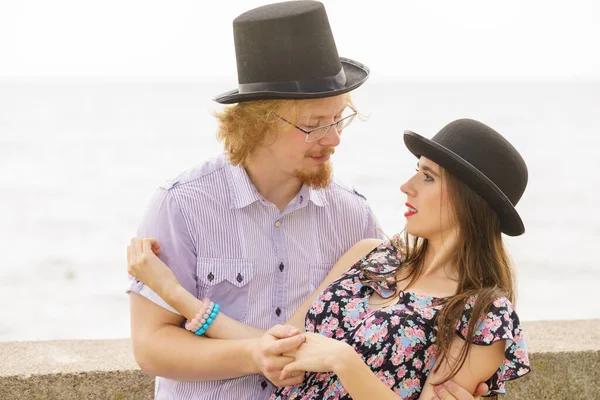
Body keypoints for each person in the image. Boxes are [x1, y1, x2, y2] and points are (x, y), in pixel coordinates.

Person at [127, 1, 489, 399]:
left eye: (338, 119)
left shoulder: (354, 218)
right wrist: (255, 356)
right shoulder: (181, 206)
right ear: (256, 123)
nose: (334, 139)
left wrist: (470, 378)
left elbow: (411, 323)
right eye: (315, 125)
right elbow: (151, 348)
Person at [128, 117, 530, 399]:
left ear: (468, 200)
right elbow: (278, 345)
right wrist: (171, 291)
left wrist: (343, 361)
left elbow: (335, 359)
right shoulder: (371, 257)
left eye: (428, 177)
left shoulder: (485, 315)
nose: (407, 186)